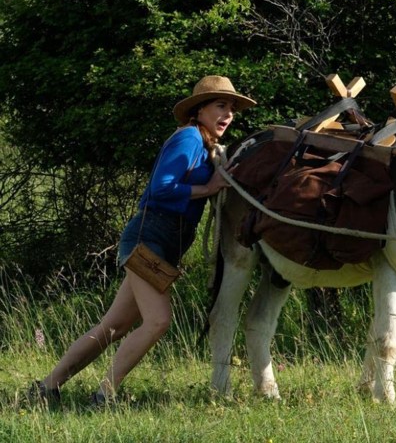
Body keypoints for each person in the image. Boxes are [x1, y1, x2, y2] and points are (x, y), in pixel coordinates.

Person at [28, 75, 256, 407]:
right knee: (158, 322)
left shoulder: (204, 144)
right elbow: (161, 187)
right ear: (199, 110)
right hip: (151, 237)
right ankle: (104, 395)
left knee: (114, 326)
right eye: (221, 105)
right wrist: (208, 188)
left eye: (232, 108)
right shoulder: (189, 138)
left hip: (164, 241)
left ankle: (47, 388)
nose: (229, 114)